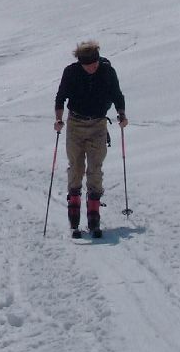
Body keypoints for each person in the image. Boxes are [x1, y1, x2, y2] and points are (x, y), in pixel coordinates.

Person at [54, 40, 128, 236]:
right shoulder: (71, 72)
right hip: (75, 124)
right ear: (81, 63)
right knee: (76, 166)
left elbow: (117, 95)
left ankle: (94, 214)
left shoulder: (107, 72)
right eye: (89, 65)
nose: (93, 67)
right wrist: (58, 119)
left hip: (98, 125)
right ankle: (74, 210)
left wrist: (121, 114)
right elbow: (61, 96)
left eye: (95, 63)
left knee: (95, 167)